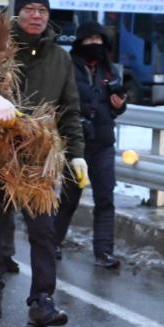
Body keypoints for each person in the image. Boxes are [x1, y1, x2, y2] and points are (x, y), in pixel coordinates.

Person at [0, 0, 86, 327]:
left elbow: (70, 111)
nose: (36, 16)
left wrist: (77, 155)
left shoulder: (60, 58)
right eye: (30, 9)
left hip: (37, 156)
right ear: (17, 13)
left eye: (42, 11)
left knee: (43, 231)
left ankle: (42, 301)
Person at [53, 21, 127, 269]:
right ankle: (53, 243)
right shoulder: (67, 66)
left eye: (99, 40)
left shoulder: (109, 70)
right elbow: (58, 102)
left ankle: (104, 252)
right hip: (76, 143)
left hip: (103, 143)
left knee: (105, 199)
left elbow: (116, 107)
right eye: (90, 39)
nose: (95, 44)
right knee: (69, 197)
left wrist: (120, 106)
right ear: (80, 42)